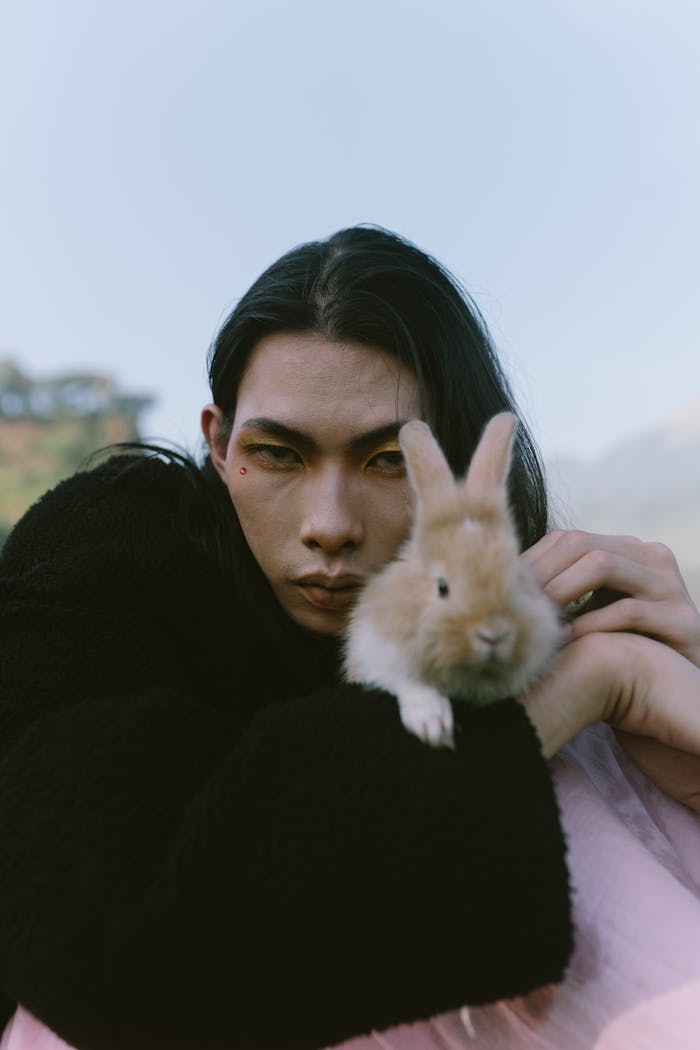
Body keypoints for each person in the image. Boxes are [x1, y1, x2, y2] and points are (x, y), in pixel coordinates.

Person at [0, 225, 699, 1050]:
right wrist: (583, 684)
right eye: (279, 453)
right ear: (219, 446)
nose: (329, 526)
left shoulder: (535, 615)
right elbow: (106, 921)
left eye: (388, 461)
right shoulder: (110, 552)